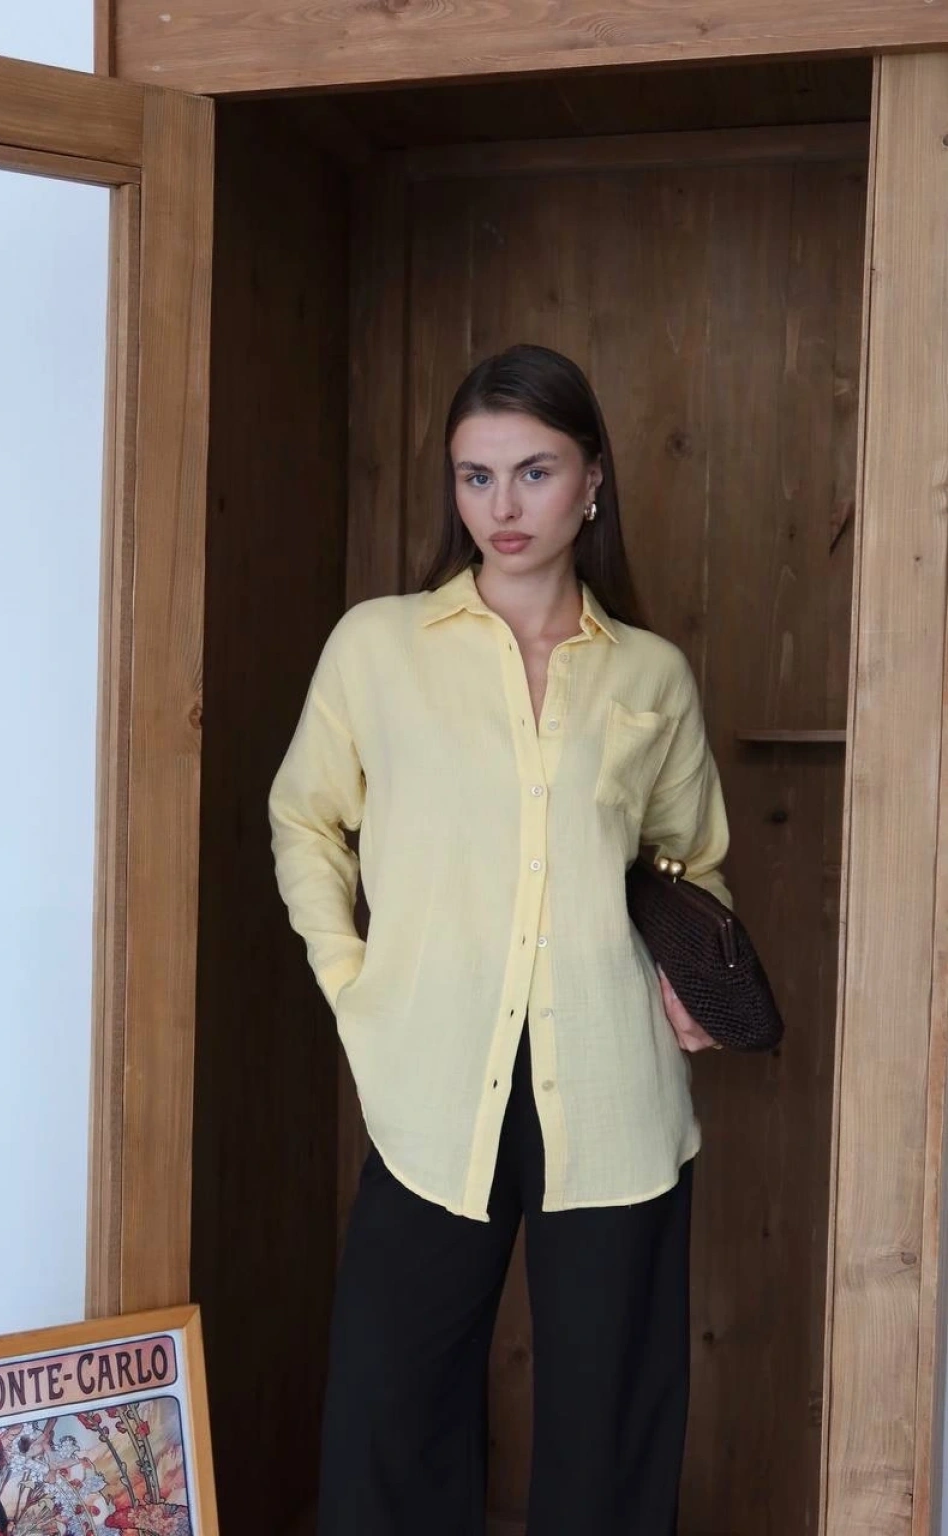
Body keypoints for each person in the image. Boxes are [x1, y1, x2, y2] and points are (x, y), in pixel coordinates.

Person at [268, 342, 732, 1535]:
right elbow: (304, 817)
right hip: (429, 1078)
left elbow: (689, 859)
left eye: (534, 471)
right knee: (391, 1412)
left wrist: (693, 980)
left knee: (609, 1423)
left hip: (614, 1088)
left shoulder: (650, 676)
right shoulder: (377, 647)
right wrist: (350, 979)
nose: (502, 506)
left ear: (592, 479)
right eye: (476, 476)